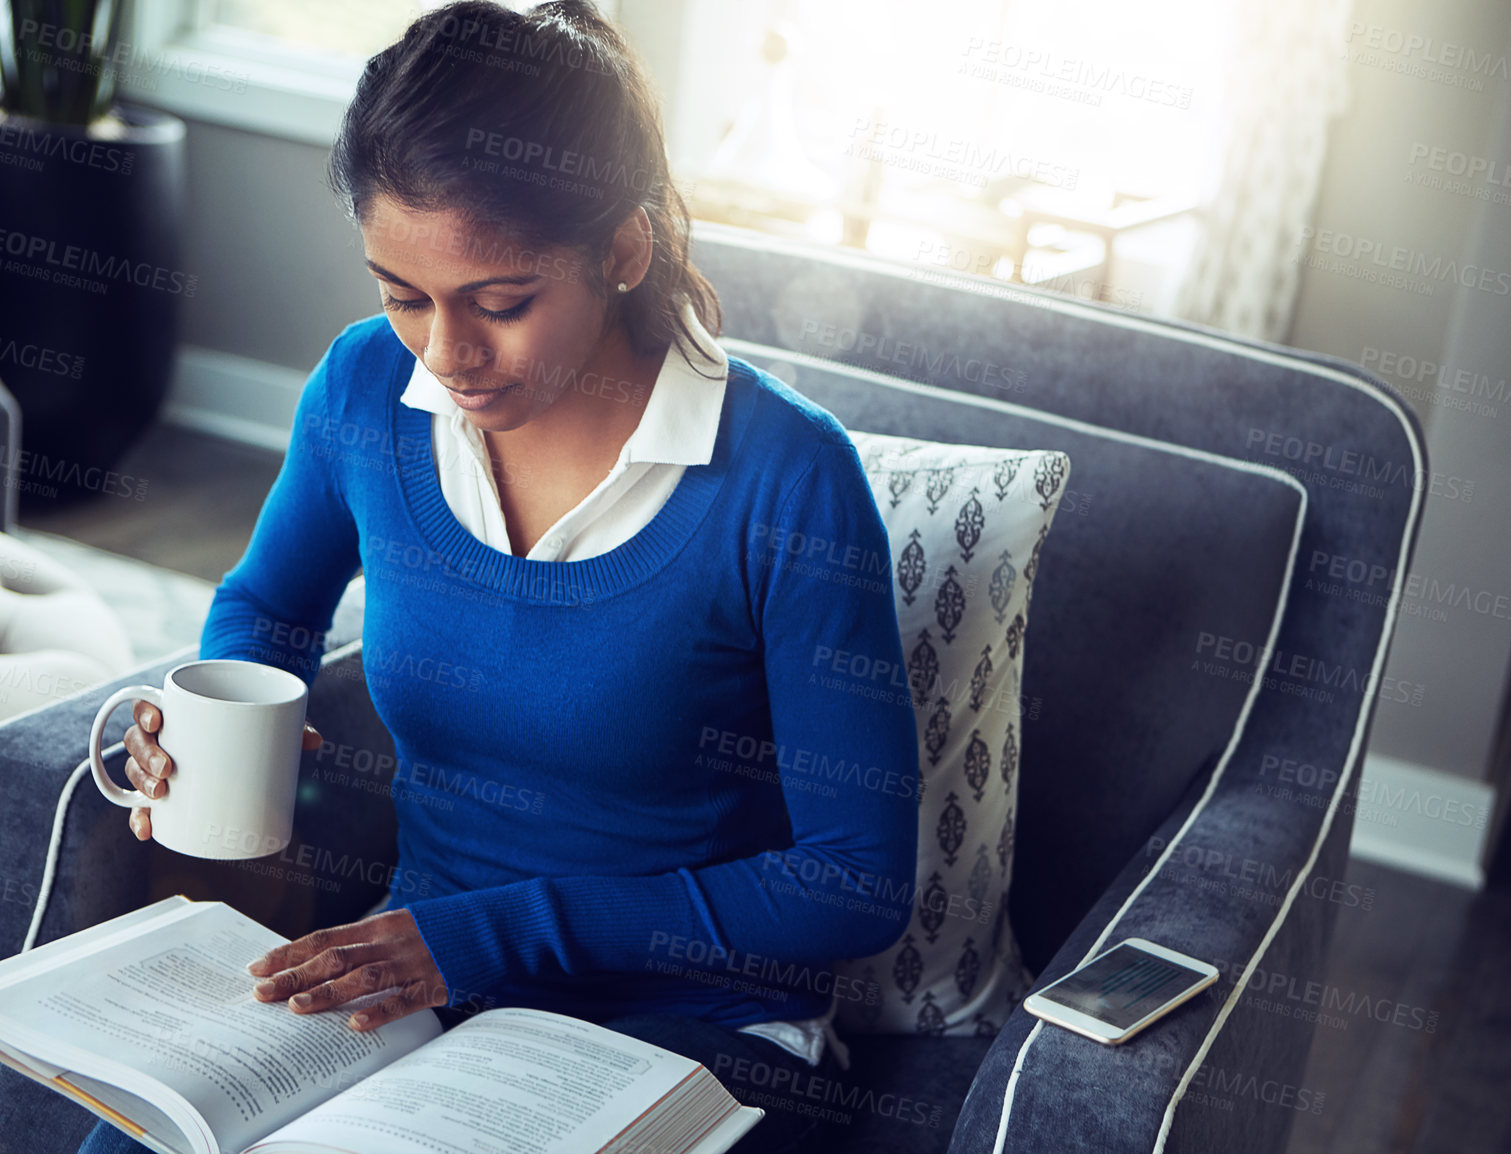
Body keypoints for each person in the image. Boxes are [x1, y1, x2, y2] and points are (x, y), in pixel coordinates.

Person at [79, 2, 918, 1151]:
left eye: (501, 302)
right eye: (402, 293)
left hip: (699, 1026)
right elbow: (269, 606)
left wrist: (490, 935)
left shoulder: (786, 478)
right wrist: (218, 712)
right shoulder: (365, 391)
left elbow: (857, 881)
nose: (445, 354)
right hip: (421, 983)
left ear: (623, 248)